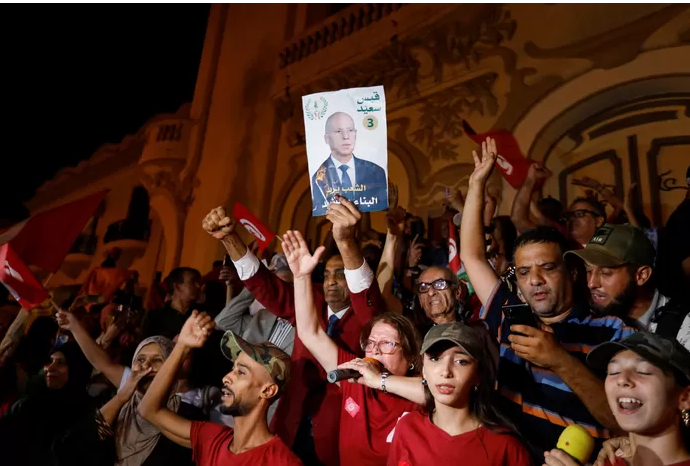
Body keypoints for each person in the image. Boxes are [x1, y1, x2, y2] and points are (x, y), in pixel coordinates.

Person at [460, 137, 635, 455]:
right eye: (524, 272)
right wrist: (476, 183)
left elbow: (623, 422)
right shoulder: (511, 314)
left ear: (572, 272)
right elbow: (471, 256)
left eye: (548, 268)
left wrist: (558, 359)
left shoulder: (614, 331)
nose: (535, 280)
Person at [202, 197, 383, 466]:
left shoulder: (368, 320)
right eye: (328, 274)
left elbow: (366, 295)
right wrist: (229, 239)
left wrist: (346, 242)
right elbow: (265, 286)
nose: (332, 281)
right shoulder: (311, 301)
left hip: (337, 439)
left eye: (341, 274)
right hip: (288, 427)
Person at [283, 228, 421, 465]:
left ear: (410, 358)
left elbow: (437, 390)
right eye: (370, 343)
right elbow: (310, 332)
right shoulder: (355, 383)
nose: (375, 351)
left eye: (387, 343)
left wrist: (380, 381)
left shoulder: (416, 397)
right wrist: (301, 276)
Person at [138, 311, 302, 465]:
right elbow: (148, 410)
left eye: (241, 372)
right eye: (233, 368)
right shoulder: (213, 438)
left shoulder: (282, 461)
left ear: (267, 390)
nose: (226, 377)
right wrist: (182, 347)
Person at [57, 309, 205, 466]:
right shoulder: (115, 408)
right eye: (140, 360)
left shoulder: (188, 415)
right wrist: (120, 399)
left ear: (171, 368)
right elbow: (72, 449)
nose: (146, 366)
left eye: (157, 360)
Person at [387, 322, 533, 465]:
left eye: (461, 361)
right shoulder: (407, 428)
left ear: (478, 375)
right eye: (435, 359)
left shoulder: (505, 446)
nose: (445, 371)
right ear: (424, 369)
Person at [545, 332, 690, 466]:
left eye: (643, 371)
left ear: (685, 397)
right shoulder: (609, 460)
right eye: (613, 372)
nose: (621, 379)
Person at [565, 223, 690, 351]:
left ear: (641, 275)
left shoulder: (684, 327)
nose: (591, 283)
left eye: (606, 273)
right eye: (588, 271)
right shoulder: (585, 318)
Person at [0, 341, 109, 466]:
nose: (50, 368)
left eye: (61, 363)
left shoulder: (89, 413)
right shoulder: (28, 406)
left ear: (77, 368)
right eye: (49, 361)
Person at [311, 112, 388, 215]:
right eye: (338, 131)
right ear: (327, 138)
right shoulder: (318, 179)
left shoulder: (376, 172)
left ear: (355, 134)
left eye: (350, 130)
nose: (346, 136)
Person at [140, 267, 202, 340]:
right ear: (177, 287)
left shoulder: (199, 316)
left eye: (198, 282)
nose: (198, 286)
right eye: (192, 281)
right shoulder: (154, 318)